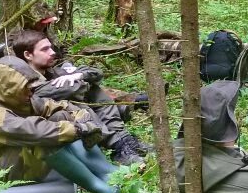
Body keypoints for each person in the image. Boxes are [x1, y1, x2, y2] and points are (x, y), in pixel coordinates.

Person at [0, 57, 119, 193]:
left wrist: (79, 116)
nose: (31, 91)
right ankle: (103, 190)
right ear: (10, 88)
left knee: (61, 117)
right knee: (42, 138)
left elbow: (56, 107)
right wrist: (78, 129)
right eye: (25, 87)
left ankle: (109, 174)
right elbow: (31, 131)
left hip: (4, 160)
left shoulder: (17, 100)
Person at [11, 29, 149, 164]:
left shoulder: (51, 72)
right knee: (76, 104)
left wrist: (80, 75)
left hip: (79, 128)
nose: (52, 52)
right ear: (28, 55)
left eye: (50, 48)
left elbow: (97, 72)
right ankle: (119, 146)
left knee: (93, 90)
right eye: (45, 49)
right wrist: (81, 81)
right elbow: (71, 88)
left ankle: (124, 142)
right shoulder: (26, 82)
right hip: (50, 132)